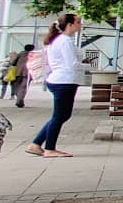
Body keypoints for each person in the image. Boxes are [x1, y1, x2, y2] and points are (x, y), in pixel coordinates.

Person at [27, 14, 87, 158]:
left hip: (62, 80)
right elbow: (71, 64)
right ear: (69, 25)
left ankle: (36, 144)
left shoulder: (59, 40)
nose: (80, 25)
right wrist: (88, 66)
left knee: (61, 115)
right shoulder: (65, 41)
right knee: (60, 116)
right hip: (64, 81)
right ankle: (49, 148)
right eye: (78, 22)